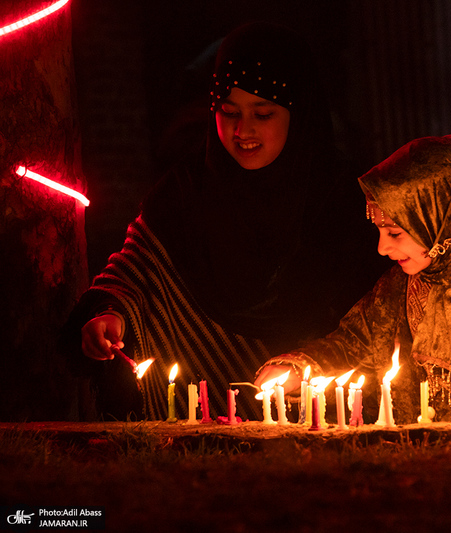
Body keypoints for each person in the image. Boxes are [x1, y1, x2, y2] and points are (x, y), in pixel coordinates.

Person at [59, 22, 386, 421]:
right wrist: (112, 316)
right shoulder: (184, 194)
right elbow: (135, 277)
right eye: (227, 111)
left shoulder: (345, 204)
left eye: (262, 113)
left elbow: (377, 323)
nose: (241, 130)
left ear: (298, 114)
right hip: (191, 440)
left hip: (325, 433)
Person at [255, 133, 451, 423]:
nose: (382, 247)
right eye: (379, 230)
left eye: (394, 232)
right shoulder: (398, 288)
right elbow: (350, 348)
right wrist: (297, 369)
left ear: (447, 221)